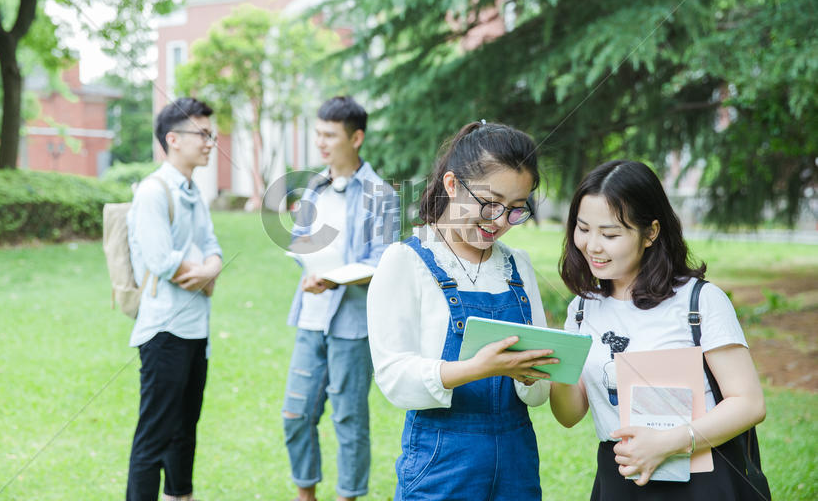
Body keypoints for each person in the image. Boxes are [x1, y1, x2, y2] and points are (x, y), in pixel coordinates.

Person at [549, 159, 766, 500]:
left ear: (651, 232)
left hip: (700, 477)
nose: (592, 245)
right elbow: (569, 414)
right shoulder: (581, 309)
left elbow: (749, 403)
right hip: (619, 477)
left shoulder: (699, 300)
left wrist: (667, 443)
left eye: (609, 234)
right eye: (583, 228)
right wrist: (550, 367)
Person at [367, 121, 557, 501]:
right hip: (442, 461)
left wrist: (533, 375)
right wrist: (478, 369)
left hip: (517, 460)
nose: (500, 221)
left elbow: (539, 395)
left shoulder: (517, 265)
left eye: (516, 209)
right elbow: (394, 377)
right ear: (452, 185)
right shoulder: (406, 260)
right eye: (490, 203)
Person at [282, 96, 400, 501]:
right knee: (296, 414)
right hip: (309, 318)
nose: (321, 142)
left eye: (330, 135)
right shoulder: (313, 187)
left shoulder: (381, 194)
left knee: (349, 418)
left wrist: (334, 280)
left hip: (351, 325)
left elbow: (384, 260)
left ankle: (347, 496)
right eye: (318, 133)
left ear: (357, 137)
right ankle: (305, 494)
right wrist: (308, 265)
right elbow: (302, 242)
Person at [125, 98, 224, 501]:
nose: (210, 142)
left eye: (210, 134)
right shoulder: (152, 192)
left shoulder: (193, 192)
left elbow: (212, 246)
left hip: (195, 330)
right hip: (164, 331)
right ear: (173, 139)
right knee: (155, 436)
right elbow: (162, 262)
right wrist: (208, 273)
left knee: (185, 430)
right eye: (202, 134)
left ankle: (180, 496)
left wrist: (207, 270)